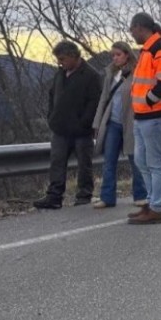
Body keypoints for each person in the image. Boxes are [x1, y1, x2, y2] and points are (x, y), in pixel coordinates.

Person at [33, 40, 102, 209]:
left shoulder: (91, 75)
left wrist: (84, 123)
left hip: (81, 131)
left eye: (63, 59)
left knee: (84, 164)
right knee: (57, 162)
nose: (60, 62)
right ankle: (54, 196)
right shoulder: (60, 74)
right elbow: (52, 95)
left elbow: (94, 102)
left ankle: (84, 195)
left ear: (73, 56)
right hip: (60, 129)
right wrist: (52, 117)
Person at [126, 13, 161, 225]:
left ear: (140, 27)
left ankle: (157, 208)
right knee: (141, 160)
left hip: (156, 116)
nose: (131, 33)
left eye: (132, 29)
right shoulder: (148, 49)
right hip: (142, 116)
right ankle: (150, 202)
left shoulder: (159, 48)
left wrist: (149, 100)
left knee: (155, 163)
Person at [91, 41, 147, 209]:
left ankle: (141, 195)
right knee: (109, 161)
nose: (115, 58)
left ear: (127, 54)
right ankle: (107, 197)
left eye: (118, 55)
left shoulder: (137, 72)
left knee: (135, 159)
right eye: (113, 55)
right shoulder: (111, 73)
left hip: (131, 122)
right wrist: (97, 123)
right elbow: (104, 99)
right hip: (112, 122)